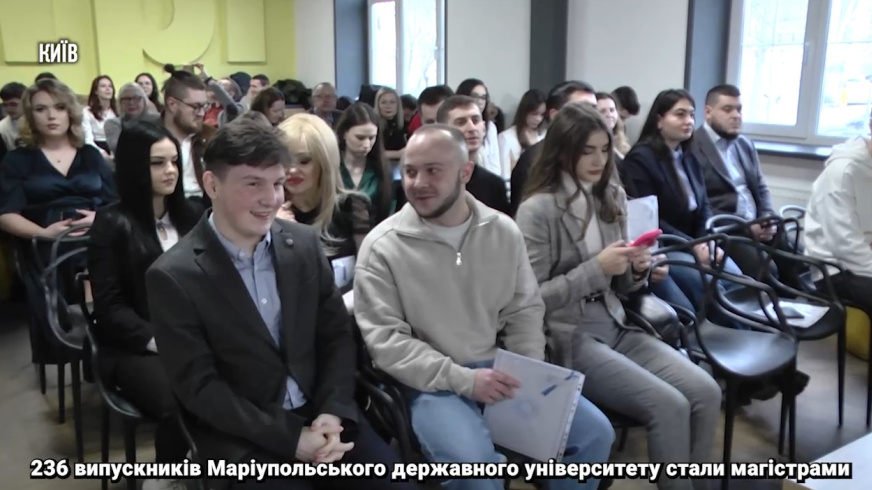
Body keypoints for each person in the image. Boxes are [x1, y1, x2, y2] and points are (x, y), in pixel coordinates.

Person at [145, 118, 413, 490]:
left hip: (323, 417)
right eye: (253, 184)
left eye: (276, 183)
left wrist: (333, 412)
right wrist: (291, 438)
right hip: (244, 434)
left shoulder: (303, 244)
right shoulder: (173, 275)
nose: (271, 199)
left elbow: (335, 336)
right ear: (212, 185)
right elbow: (200, 388)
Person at [353, 123, 614, 490]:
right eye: (410, 171)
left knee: (596, 434)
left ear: (465, 173)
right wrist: (464, 381)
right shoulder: (382, 247)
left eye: (433, 171)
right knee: (473, 470)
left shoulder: (502, 230)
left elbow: (524, 310)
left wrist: (528, 371)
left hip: (498, 369)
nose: (418, 182)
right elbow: (387, 343)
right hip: (429, 384)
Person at [515, 103, 720, 490]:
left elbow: (624, 288)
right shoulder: (537, 210)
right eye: (587, 151)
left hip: (615, 321)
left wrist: (638, 268)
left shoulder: (611, 194)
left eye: (605, 149)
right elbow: (531, 300)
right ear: (563, 151)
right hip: (568, 335)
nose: (599, 160)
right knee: (669, 405)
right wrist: (598, 268)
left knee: (706, 392)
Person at [88, 120, 202, 490]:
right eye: (157, 163)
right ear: (135, 166)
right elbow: (109, 308)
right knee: (178, 399)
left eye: (174, 161)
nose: (170, 171)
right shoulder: (111, 222)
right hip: (133, 345)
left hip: (192, 336)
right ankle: (166, 475)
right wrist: (160, 341)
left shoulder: (192, 215)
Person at [276, 113, 373, 286]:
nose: (292, 170)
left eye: (304, 161)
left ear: (325, 162)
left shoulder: (352, 207)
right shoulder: (269, 214)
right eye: (285, 160)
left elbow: (369, 274)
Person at [510, 81, 597, 217]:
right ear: (556, 115)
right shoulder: (533, 161)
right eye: (583, 109)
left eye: (594, 109)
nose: (593, 117)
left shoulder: (601, 156)